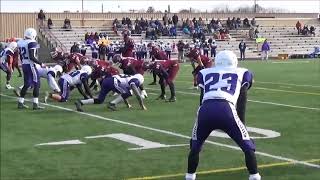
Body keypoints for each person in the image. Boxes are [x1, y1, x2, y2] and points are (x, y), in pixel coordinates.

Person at [186, 50, 260, 180]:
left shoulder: (204, 73)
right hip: (226, 108)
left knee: (195, 146)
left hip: (205, 109)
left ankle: (190, 176)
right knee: (247, 146)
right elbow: (242, 100)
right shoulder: (243, 72)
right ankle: (254, 176)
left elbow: (202, 98)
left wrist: (201, 116)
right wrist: (242, 123)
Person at [74, 73, 147, 112]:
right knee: (129, 92)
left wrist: (127, 104)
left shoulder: (130, 77)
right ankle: (112, 104)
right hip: (113, 81)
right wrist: (142, 105)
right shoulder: (135, 80)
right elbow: (137, 94)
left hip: (107, 81)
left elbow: (123, 93)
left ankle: (80, 102)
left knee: (100, 100)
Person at [16, 28, 45, 110]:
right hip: (31, 65)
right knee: (37, 84)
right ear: (33, 35)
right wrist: (40, 63)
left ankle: (20, 102)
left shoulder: (21, 42)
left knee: (26, 84)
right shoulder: (32, 42)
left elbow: (21, 56)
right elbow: (32, 57)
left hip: (24, 65)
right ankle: (35, 104)